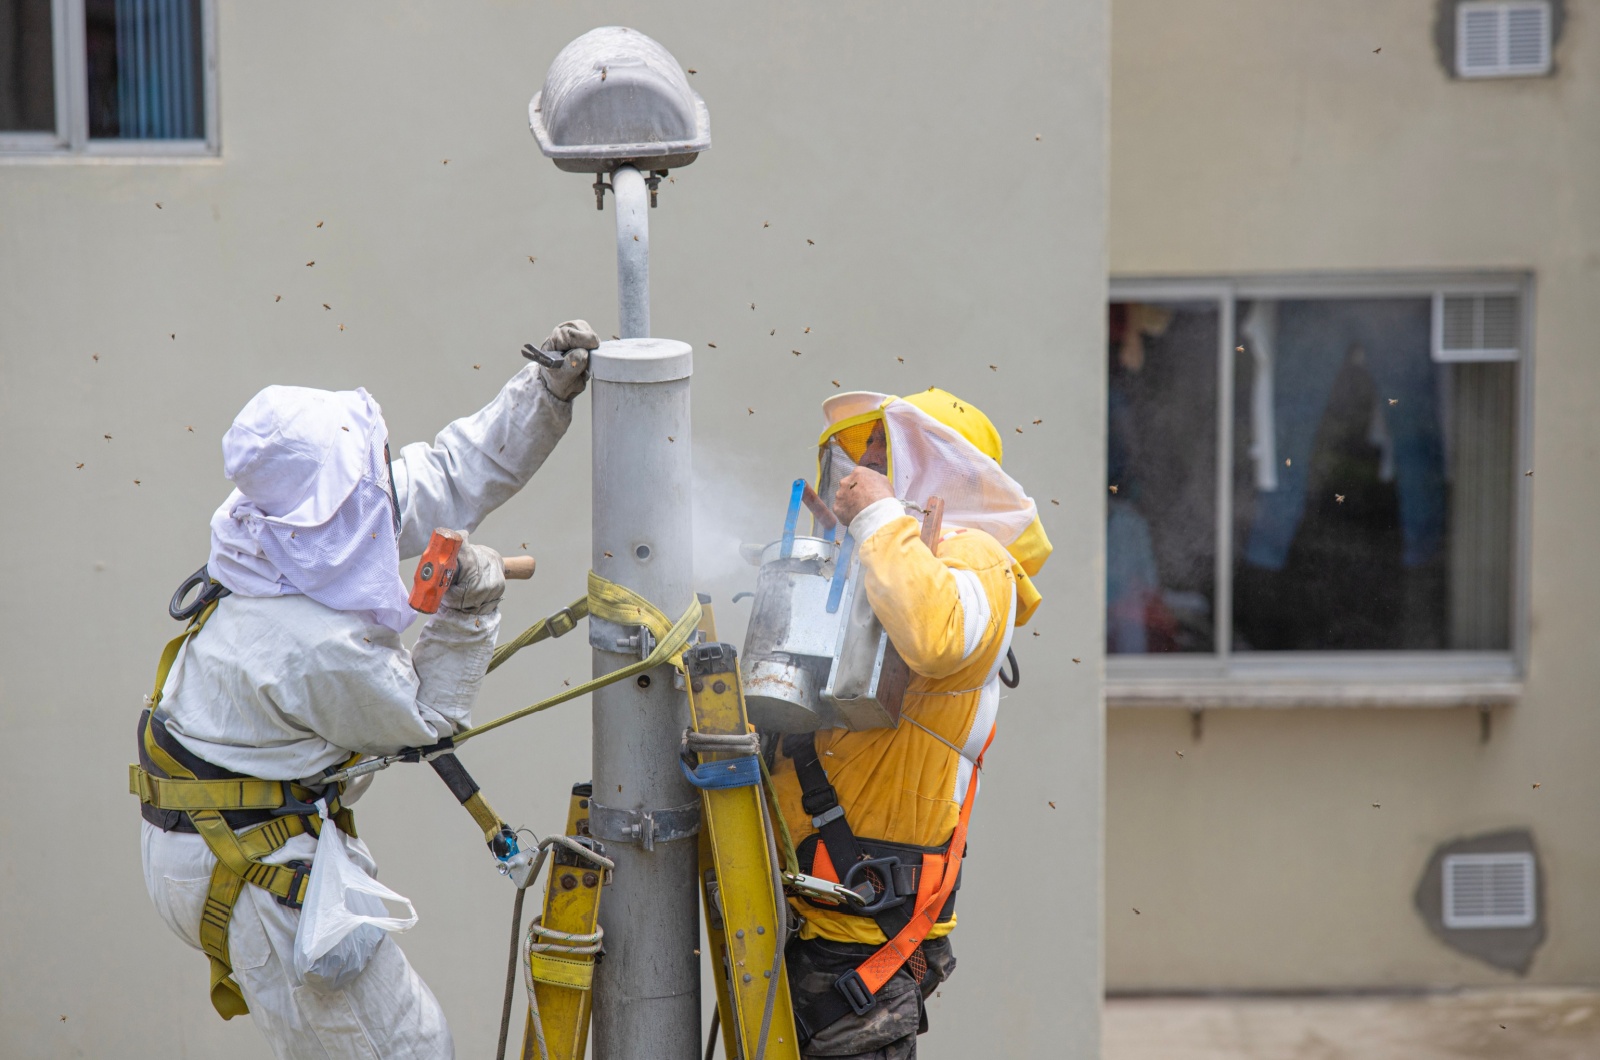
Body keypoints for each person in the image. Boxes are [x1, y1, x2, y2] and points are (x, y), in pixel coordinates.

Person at [131, 321, 599, 1060]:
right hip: (253, 873)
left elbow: (449, 473)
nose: (383, 473)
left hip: (226, 838)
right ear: (333, 491)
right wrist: (471, 608)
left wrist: (542, 392)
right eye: (367, 464)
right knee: (409, 1052)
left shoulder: (268, 532)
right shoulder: (310, 644)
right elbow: (427, 718)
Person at [769, 388, 1053, 1059]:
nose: (861, 464)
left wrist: (877, 520)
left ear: (943, 467)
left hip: (863, 929)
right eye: (862, 448)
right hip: (816, 907)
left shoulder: (979, 560)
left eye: (882, 448)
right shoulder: (886, 558)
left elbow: (933, 635)